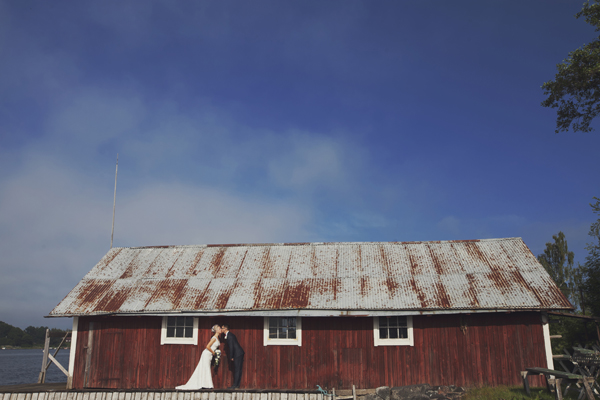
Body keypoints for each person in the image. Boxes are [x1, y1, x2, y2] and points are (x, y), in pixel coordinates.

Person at [176, 324, 221, 390]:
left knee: (206, 367)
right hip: (207, 354)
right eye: (219, 328)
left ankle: (205, 384)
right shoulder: (214, 338)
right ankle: (205, 384)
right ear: (216, 330)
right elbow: (208, 346)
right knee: (205, 368)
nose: (220, 330)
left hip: (209, 355)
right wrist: (213, 352)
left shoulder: (217, 338)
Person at [221, 324, 244, 389]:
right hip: (238, 353)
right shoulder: (229, 335)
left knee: (237, 369)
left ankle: (235, 385)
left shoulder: (229, 336)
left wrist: (231, 356)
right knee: (238, 369)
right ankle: (237, 385)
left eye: (222, 328)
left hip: (237, 354)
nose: (221, 329)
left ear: (225, 329)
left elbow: (231, 347)